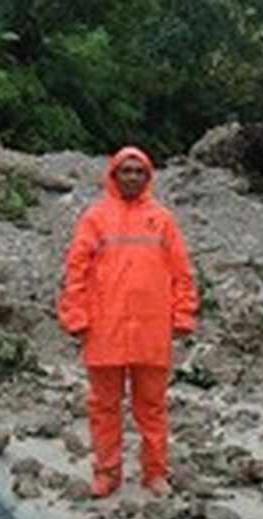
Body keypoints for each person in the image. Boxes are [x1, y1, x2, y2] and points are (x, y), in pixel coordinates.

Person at [57, 146, 199, 498]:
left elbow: (182, 272)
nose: (133, 177)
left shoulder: (162, 219)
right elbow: (76, 272)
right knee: (104, 407)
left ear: (148, 177)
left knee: (152, 408)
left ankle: (155, 472)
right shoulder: (95, 218)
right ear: (114, 175)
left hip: (151, 330)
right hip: (104, 329)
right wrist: (76, 316)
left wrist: (183, 314)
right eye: (126, 170)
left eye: (139, 171)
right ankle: (106, 473)